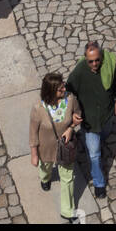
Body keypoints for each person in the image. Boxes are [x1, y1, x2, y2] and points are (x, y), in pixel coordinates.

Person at [66, 42, 116, 200]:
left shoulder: (109, 65)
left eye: (97, 60)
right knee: (95, 154)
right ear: (85, 58)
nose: (95, 64)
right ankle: (99, 183)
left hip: (106, 115)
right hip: (89, 121)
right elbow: (67, 92)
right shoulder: (79, 72)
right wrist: (72, 113)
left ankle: (84, 138)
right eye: (90, 61)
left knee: (105, 134)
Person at [29, 75, 82, 223]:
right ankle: (45, 178)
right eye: (60, 89)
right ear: (50, 91)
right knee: (45, 168)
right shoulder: (38, 108)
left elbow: (78, 114)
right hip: (45, 148)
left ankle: (67, 210)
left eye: (63, 86)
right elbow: (33, 132)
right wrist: (34, 153)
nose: (64, 89)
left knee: (67, 177)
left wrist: (72, 127)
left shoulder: (70, 99)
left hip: (65, 147)